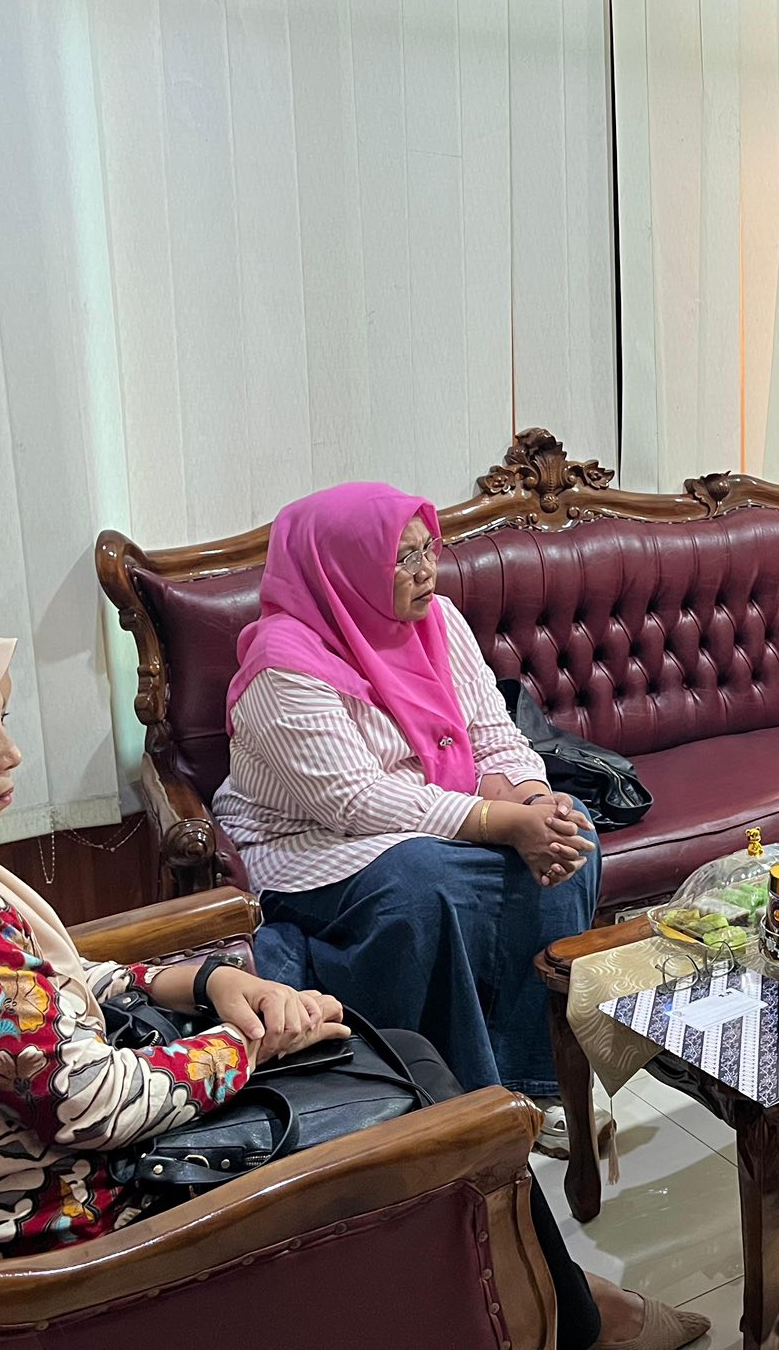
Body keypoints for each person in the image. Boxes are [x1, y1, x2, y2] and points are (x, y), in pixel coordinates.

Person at [0, 619, 706, 1350]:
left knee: (404, 1051)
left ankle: (564, 1301)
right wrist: (249, 1043)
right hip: (69, 1217)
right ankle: (561, 1315)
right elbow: (89, 1104)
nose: (10, 756)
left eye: (2, 722)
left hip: (29, 1151)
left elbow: (42, 984)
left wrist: (199, 983)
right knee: (456, 1110)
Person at [212, 482, 599, 1155]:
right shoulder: (283, 666)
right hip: (313, 843)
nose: (426, 572)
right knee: (426, 882)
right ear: (342, 571)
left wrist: (535, 802)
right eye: (401, 558)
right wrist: (497, 820)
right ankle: (458, 1095)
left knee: (572, 831)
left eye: (429, 550)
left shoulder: (438, 619)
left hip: (436, 813)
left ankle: (537, 1079)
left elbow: (494, 736)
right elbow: (355, 801)